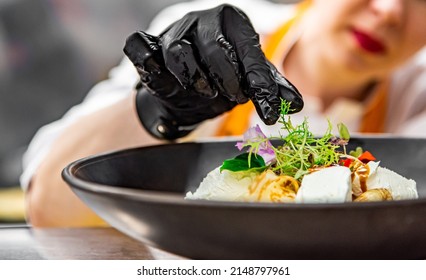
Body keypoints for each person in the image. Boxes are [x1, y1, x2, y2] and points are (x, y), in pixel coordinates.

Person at [21, 0, 426, 227]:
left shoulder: (419, 95)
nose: (391, 10)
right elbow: (48, 209)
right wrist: (159, 108)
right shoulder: (205, 38)